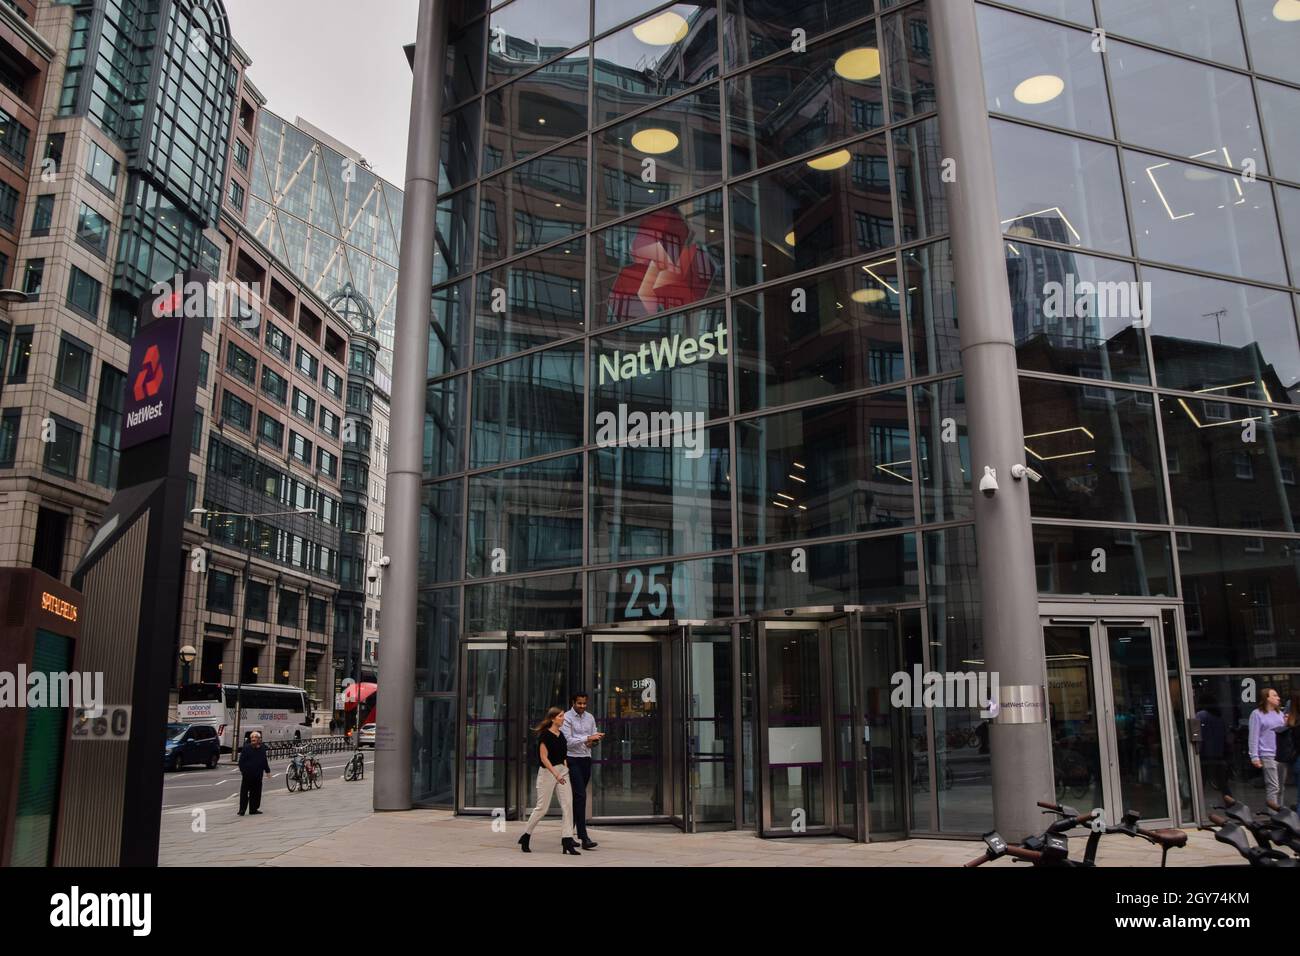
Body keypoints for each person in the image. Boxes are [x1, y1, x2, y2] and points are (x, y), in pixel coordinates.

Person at [518, 707, 581, 856]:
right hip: (548, 773)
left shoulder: (562, 735)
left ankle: (567, 840)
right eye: (560, 716)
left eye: (563, 716)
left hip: (562, 772)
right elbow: (544, 758)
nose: (563, 719)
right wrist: (556, 774)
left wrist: (564, 769)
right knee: (542, 808)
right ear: (553, 718)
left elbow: (564, 755)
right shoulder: (545, 735)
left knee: (568, 806)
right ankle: (526, 836)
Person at [562, 692, 604, 850]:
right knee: (580, 795)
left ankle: (566, 836)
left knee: (577, 798)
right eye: (579, 703)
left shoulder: (590, 717)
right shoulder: (566, 718)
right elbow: (568, 742)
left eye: (584, 703)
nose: (582, 706)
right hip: (571, 759)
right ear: (573, 702)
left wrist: (594, 741)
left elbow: (593, 738)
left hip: (586, 759)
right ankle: (583, 837)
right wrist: (587, 739)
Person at [1249, 687, 1287, 806]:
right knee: (1273, 787)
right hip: (1267, 754)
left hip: (1281, 754)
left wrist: (1287, 722)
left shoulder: (1279, 713)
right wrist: (1254, 756)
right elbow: (1253, 736)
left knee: (1281, 787)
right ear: (1266, 698)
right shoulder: (1257, 714)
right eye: (1274, 695)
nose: (1278, 698)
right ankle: (1273, 816)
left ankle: (1280, 813)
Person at [237, 730, 272, 816]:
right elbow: (241, 762)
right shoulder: (246, 748)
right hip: (247, 775)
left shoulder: (262, 748)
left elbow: (264, 760)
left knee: (256, 793)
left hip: (258, 774)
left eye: (255, 737)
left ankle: (253, 809)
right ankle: (242, 810)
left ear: (259, 739)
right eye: (252, 737)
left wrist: (267, 771)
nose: (253, 739)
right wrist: (243, 771)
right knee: (244, 793)